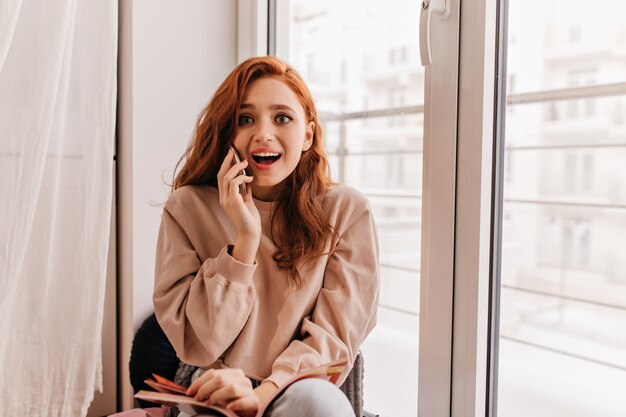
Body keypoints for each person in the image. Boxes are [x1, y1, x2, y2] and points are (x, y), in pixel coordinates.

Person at [153, 56, 379, 417]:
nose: (263, 133)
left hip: (305, 389)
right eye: (245, 119)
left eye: (282, 118)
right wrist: (244, 241)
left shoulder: (346, 211)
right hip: (217, 388)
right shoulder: (187, 207)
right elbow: (198, 343)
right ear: (229, 132)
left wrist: (263, 395)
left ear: (307, 134)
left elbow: (334, 338)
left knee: (316, 404)